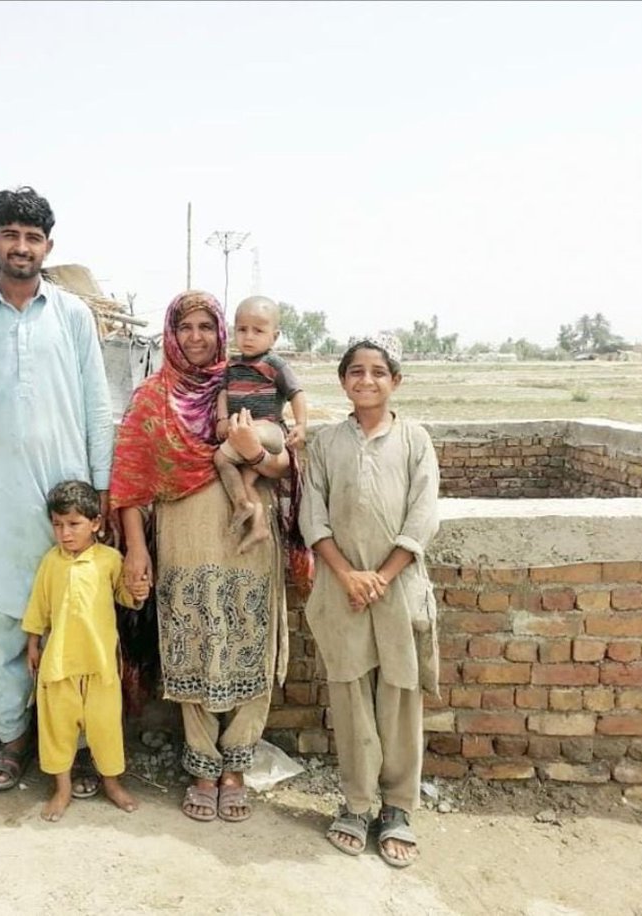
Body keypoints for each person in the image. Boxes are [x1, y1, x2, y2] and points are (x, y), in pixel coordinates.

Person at [0, 187, 114, 794]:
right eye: (10, 235)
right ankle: (13, 740)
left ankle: (80, 747)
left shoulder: (72, 316)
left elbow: (96, 408)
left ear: (48, 247)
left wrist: (103, 491)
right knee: (0, 621)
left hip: (66, 502)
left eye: (32, 238)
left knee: (76, 621)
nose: (20, 247)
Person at [110, 290, 290, 824]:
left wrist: (256, 452)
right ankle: (203, 766)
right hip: (184, 538)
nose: (195, 337)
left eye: (205, 327)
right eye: (184, 327)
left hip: (247, 536)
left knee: (247, 637)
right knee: (193, 636)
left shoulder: (243, 384)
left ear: (220, 332)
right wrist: (137, 549)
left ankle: (237, 762)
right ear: (171, 333)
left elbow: (284, 462)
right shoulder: (151, 399)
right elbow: (130, 483)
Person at [299, 340, 441, 868]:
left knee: (401, 698)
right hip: (342, 590)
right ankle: (357, 804)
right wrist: (348, 575)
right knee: (351, 695)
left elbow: (423, 515)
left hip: (397, 588)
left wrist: (381, 576)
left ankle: (398, 808)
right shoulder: (327, 443)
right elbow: (312, 517)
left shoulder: (414, 441)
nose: (367, 380)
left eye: (378, 372)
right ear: (342, 382)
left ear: (395, 382)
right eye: (355, 372)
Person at [23, 480, 148, 821]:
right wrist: (33, 644)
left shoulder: (109, 560)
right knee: (57, 730)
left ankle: (112, 784)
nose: (65, 533)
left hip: (101, 664)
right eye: (58, 525)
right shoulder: (51, 563)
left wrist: (137, 590)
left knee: (105, 728)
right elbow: (39, 607)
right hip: (59, 664)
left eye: (74, 524)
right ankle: (62, 790)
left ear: (95, 523)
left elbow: (126, 597)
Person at [213, 296, 308, 554]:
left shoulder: (274, 364)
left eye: (258, 330)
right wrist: (222, 419)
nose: (248, 337)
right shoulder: (231, 365)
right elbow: (223, 393)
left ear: (274, 337)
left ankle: (245, 506)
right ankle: (252, 517)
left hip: (268, 429)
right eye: (242, 330)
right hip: (241, 432)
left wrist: (301, 425)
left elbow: (296, 393)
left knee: (224, 453)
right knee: (232, 469)